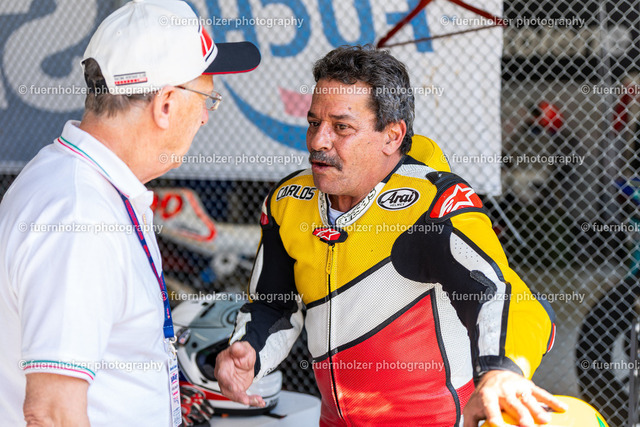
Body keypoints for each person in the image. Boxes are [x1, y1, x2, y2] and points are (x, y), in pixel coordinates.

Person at [214, 45, 566, 427]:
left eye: (341, 127)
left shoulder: (434, 203)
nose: (318, 141)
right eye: (314, 123)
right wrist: (250, 350)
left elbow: (499, 294)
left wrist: (502, 370)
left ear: (392, 136)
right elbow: (274, 304)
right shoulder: (288, 201)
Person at [0, 0, 259, 426]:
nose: (205, 119)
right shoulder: (79, 214)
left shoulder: (80, 184)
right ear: (167, 104)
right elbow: (51, 412)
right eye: (207, 101)